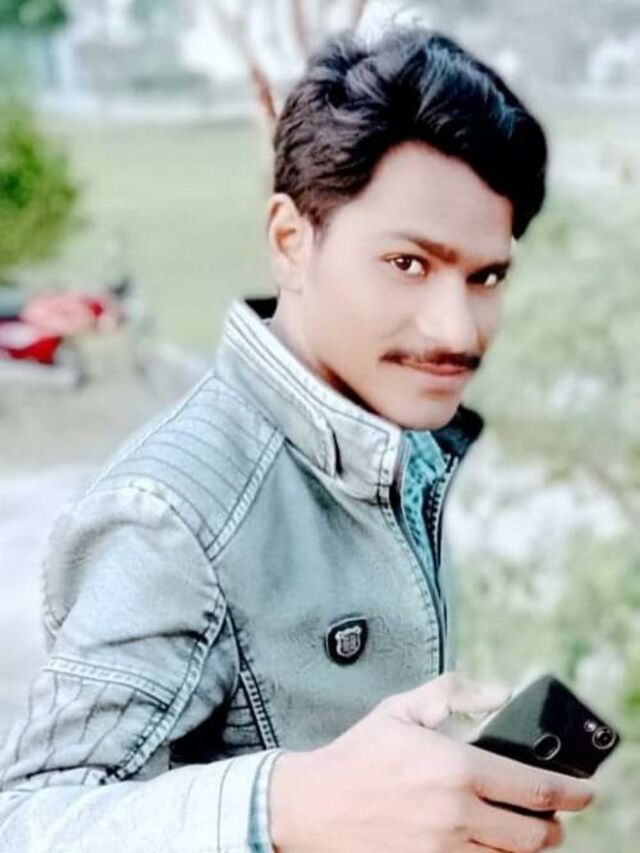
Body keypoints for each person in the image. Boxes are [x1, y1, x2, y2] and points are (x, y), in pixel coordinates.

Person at [0, 25, 594, 853]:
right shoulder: (174, 514)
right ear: (290, 241)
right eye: (409, 264)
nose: (458, 330)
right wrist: (288, 804)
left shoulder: (404, 439)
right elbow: (28, 820)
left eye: (485, 276)